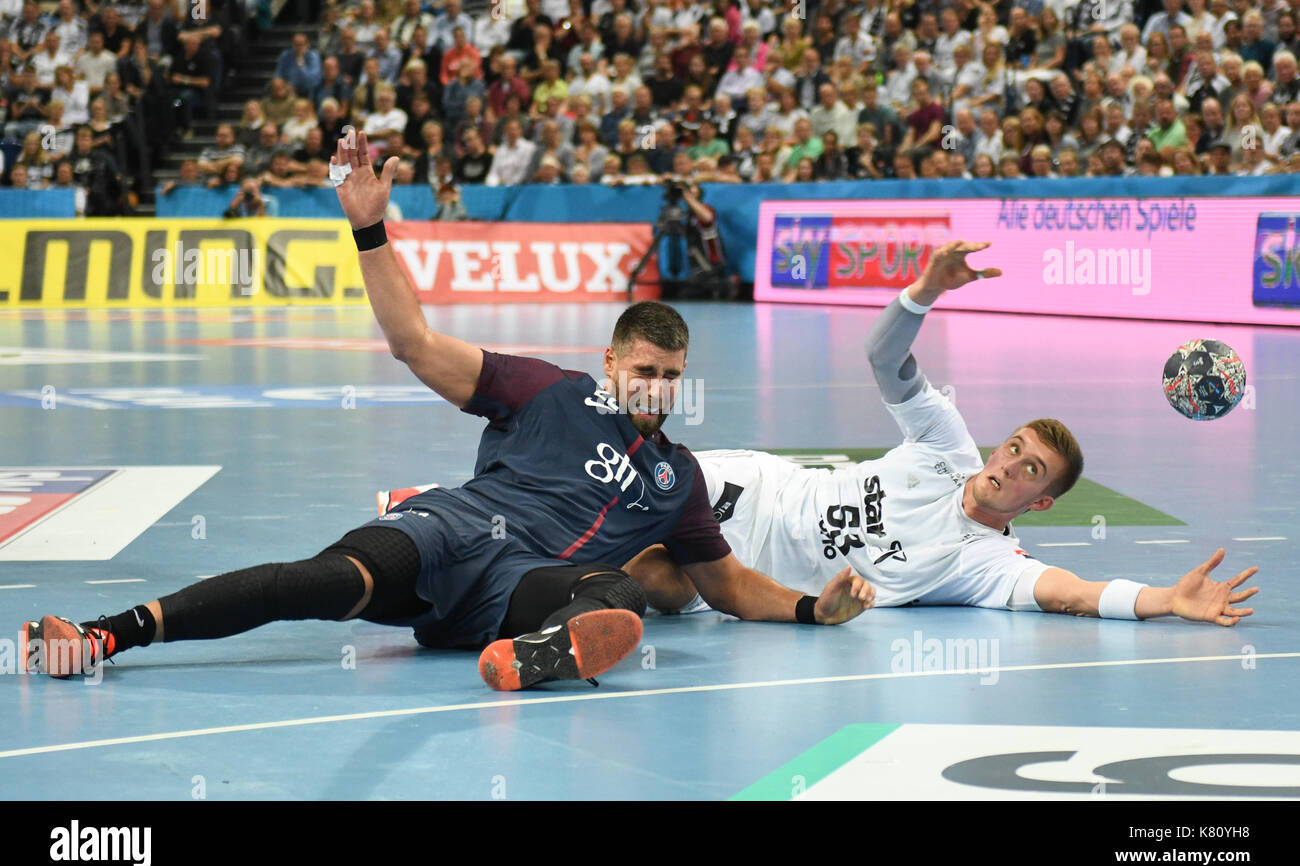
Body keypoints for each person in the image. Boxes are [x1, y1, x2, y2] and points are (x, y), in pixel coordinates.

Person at [22, 129, 871, 689]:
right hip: (451, 533)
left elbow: (725, 586)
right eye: (644, 369)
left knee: (617, 593)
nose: (657, 388)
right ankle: (107, 635)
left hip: (524, 588)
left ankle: (531, 658)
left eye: (671, 375)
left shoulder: (677, 479)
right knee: (320, 584)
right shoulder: (547, 388)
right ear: (611, 362)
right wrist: (368, 231)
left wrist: (808, 608)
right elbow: (414, 342)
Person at [618, 242, 1261, 626]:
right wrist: (924, 292)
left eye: (1031, 470)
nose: (1010, 465)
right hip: (752, 485)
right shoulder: (947, 446)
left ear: (1039, 504)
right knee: (599, 480)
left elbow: (1074, 593)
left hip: (744, 569)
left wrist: (1165, 599)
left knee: (650, 577)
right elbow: (882, 358)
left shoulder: (982, 566)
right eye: (1014, 448)